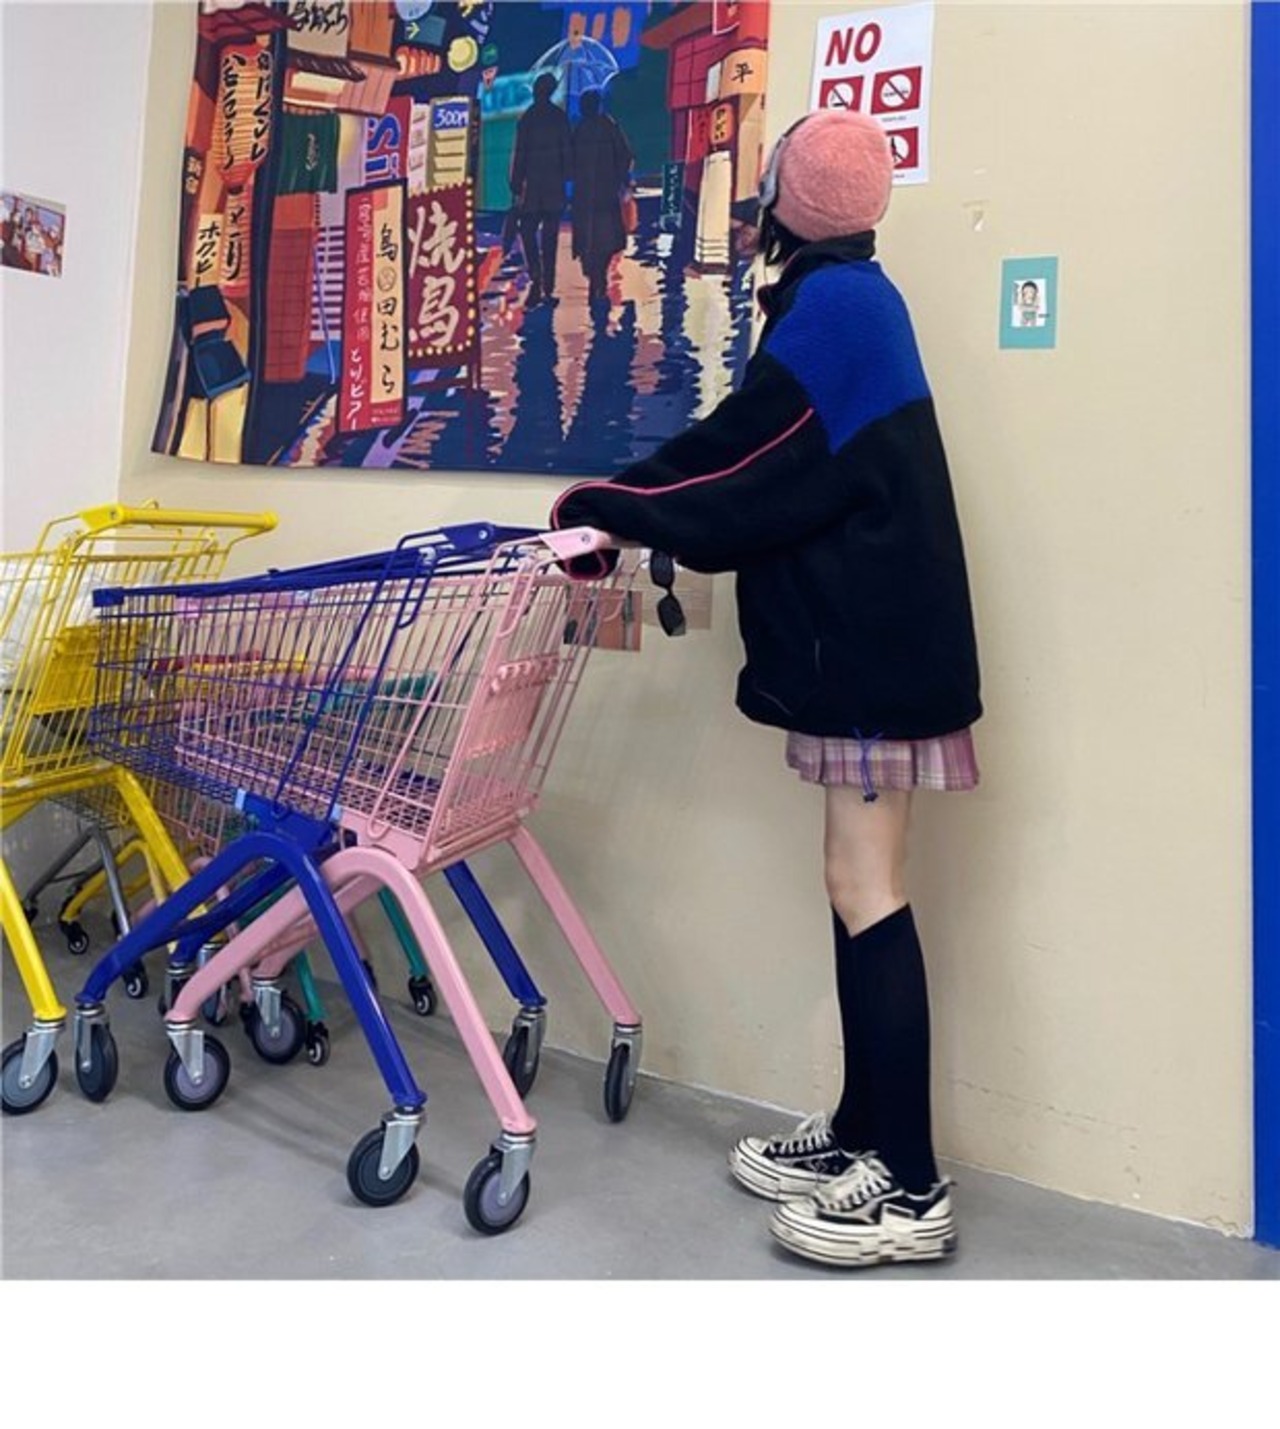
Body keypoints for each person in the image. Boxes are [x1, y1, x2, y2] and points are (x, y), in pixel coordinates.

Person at [548, 109, 982, 1269]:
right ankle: (859, 1132)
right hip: (873, 646)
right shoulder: (849, 298)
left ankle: (909, 1184)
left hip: (873, 654)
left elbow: (745, 464)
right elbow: (762, 454)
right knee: (855, 888)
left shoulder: (835, 309)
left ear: (785, 200)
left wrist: (604, 507)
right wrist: (628, 504)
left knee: (867, 892)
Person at [510, 71, 572, 307]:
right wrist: (566, 178)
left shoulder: (528, 118)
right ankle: (548, 287)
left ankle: (536, 276)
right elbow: (567, 153)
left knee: (527, 231)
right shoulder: (559, 118)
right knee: (550, 239)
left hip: (533, 189)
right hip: (554, 188)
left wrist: (516, 184)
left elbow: (520, 155)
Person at [571, 88, 633, 307]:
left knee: (587, 241)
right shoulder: (609, 126)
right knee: (606, 240)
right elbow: (625, 156)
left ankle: (594, 279)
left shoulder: (579, 129)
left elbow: (569, 163)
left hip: (584, 195)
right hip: (606, 193)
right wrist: (620, 179)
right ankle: (599, 280)